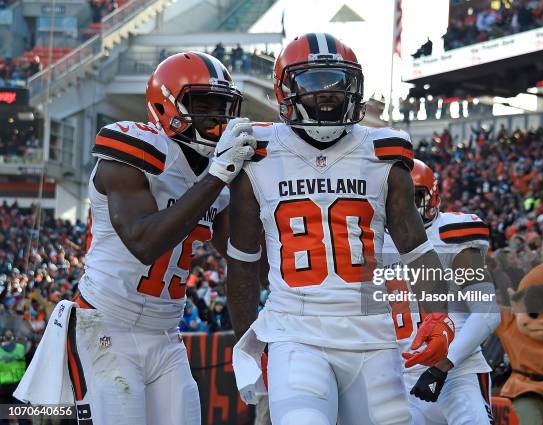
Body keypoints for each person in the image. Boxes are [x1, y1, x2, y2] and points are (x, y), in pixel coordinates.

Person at [226, 33, 455, 425]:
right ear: (285, 90)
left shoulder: (384, 151)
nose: (328, 95)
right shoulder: (256, 151)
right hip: (295, 333)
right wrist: (253, 345)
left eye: (338, 82)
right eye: (313, 83)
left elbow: (416, 249)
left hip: (373, 335)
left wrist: (439, 315)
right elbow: (243, 264)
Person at [19, 52, 256, 425]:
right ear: (167, 106)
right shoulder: (133, 150)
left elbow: (241, 255)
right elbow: (143, 242)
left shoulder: (221, 174)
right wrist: (218, 175)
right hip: (107, 324)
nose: (217, 118)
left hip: (165, 333)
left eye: (223, 106)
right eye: (203, 104)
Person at [383, 159, 500, 424]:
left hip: (458, 374)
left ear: (433, 196)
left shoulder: (451, 236)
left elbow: (488, 314)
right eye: (396, 199)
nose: (404, 208)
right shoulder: (377, 241)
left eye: (415, 198)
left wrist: (442, 366)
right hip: (401, 379)